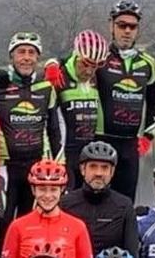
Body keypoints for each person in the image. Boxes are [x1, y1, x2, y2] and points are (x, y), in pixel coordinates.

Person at [0, 32, 62, 221]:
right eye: (21, 52)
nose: (26, 58)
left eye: (32, 52)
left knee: (30, 220)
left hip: (36, 165)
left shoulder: (46, 87)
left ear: (38, 57)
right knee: (2, 219)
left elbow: (55, 130)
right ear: (11, 56)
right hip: (5, 167)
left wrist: (59, 166)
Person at [95, 0, 155, 202]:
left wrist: (148, 137)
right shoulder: (99, 55)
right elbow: (67, 63)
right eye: (121, 25)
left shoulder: (147, 63)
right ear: (111, 26)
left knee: (125, 204)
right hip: (100, 139)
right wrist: (53, 65)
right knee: (95, 200)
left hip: (130, 145)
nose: (127, 31)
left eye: (132, 27)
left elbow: (154, 103)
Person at [59, 142, 140, 258]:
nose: (99, 173)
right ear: (83, 170)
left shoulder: (124, 205)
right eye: (93, 167)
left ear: (112, 172)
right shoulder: (66, 203)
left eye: (104, 168)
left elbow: (132, 254)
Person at [2, 159, 93, 258]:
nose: (47, 195)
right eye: (42, 189)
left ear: (62, 190)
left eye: (53, 189)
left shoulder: (78, 227)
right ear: (33, 190)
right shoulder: (17, 226)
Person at [46, 30, 110, 186]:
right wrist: (51, 64)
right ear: (76, 56)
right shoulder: (60, 75)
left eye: (94, 66)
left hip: (89, 155)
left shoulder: (96, 77)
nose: (89, 71)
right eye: (85, 64)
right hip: (64, 154)